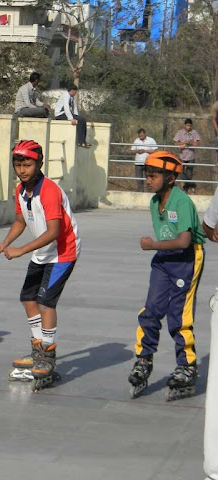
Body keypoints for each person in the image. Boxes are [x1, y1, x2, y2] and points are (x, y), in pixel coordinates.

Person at [0, 140, 80, 390]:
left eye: (27, 164)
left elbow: (54, 231)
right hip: (42, 252)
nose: (22, 169)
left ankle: (48, 356)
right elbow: (20, 221)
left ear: (39, 163)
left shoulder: (49, 191)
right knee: (28, 299)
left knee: (45, 302)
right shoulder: (20, 190)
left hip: (63, 252)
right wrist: (5, 242)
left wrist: (20, 249)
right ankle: (37, 349)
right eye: (18, 165)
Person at [127, 151, 205, 401]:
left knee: (178, 315)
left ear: (170, 178)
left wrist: (152, 246)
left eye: (153, 176)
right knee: (151, 310)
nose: (148, 180)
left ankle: (187, 365)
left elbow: (183, 241)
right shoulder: (154, 202)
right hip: (164, 260)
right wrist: (157, 248)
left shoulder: (182, 202)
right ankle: (144, 359)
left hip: (186, 258)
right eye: (146, 175)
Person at [173, 118, 201, 194]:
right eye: (187, 125)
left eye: (190, 125)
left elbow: (196, 143)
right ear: (185, 125)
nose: (189, 127)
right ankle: (191, 184)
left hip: (191, 155)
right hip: (182, 155)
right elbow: (175, 142)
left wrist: (189, 143)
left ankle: (186, 188)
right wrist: (183, 143)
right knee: (181, 171)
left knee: (189, 173)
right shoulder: (180, 132)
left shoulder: (194, 132)